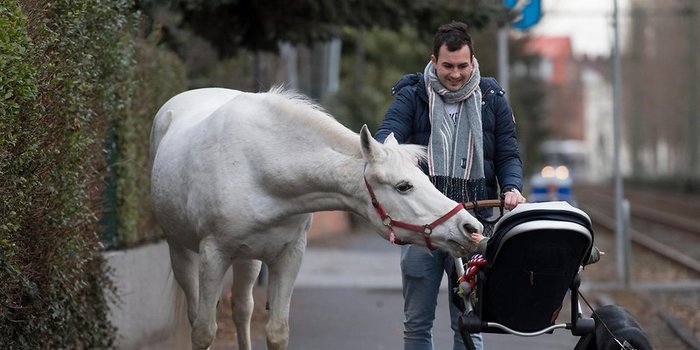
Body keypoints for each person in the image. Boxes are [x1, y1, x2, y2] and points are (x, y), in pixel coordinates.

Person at [374, 21, 527, 350]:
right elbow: (386, 136)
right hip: (423, 230)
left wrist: (511, 186)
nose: (455, 74)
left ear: (472, 61)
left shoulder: (492, 99)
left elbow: (508, 154)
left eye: (462, 66)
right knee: (416, 323)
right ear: (434, 60)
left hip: (473, 227)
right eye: (447, 66)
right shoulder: (413, 95)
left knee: (469, 324)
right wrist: (397, 156)